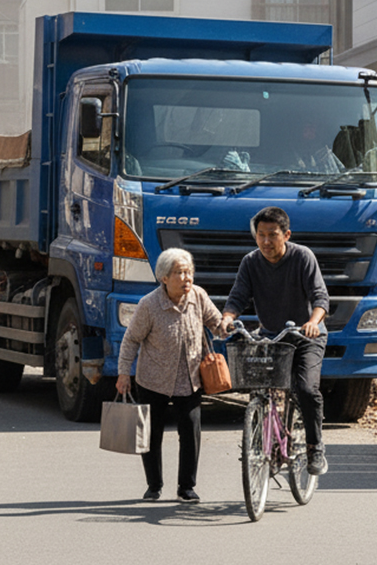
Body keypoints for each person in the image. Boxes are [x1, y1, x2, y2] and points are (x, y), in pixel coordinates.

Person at [220, 206, 331, 475]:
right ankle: (262, 435)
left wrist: (313, 323)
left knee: (305, 390)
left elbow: (320, 298)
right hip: (271, 336)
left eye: (272, 235)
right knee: (258, 387)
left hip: (305, 337)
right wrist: (227, 317)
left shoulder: (302, 257)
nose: (266, 242)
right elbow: (238, 298)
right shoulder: (250, 262)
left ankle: (316, 447)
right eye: (261, 235)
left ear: (286, 235)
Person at [117, 248, 222, 503]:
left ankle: (186, 487)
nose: (186, 278)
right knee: (152, 434)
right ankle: (154, 485)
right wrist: (123, 374)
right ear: (164, 277)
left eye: (189, 272)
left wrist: (230, 326)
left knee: (191, 432)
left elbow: (216, 322)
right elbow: (131, 340)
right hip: (153, 379)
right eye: (179, 273)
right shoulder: (149, 304)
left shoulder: (198, 296)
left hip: (190, 378)